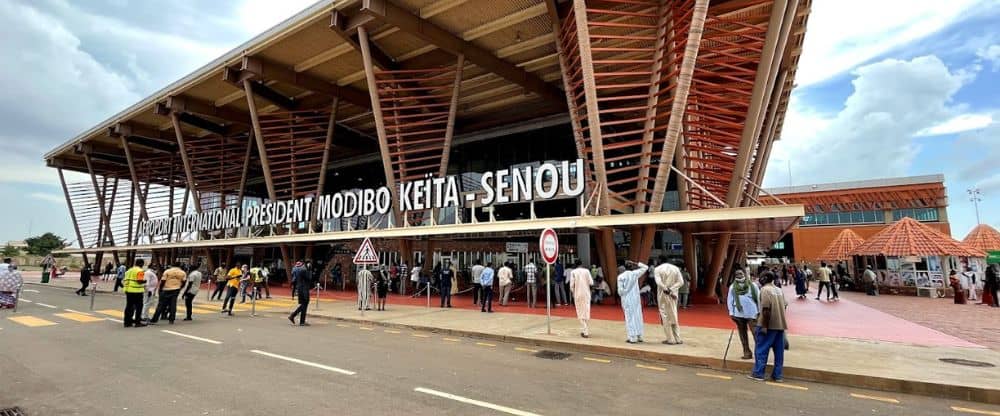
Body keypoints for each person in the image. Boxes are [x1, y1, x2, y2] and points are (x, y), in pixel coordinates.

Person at [749, 272, 788, 382]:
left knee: (761, 349)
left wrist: (764, 326)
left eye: (761, 277)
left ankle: (758, 373)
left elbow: (766, 309)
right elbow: (785, 306)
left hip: (768, 325)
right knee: (779, 352)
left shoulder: (765, 290)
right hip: (780, 326)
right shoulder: (779, 290)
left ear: (764, 278)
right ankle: (777, 375)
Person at [728, 269, 759, 359]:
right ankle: (747, 352)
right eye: (737, 274)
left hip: (752, 313)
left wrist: (759, 311)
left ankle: (759, 353)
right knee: (742, 334)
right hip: (738, 314)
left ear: (744, 274)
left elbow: (758, 298)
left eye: (741, 273)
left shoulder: (753, 285)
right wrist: (731, 312)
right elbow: (730, 300)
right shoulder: (732, 287)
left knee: (756, 334)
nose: (739, 275)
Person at [654, 259, 684, 345]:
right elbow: (681, 282)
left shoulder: (657, 269)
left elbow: (658, 282)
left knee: (665, 316)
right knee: (674, 314)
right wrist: (671, 289)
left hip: (662, 295)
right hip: (673, 295)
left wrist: (665, 288)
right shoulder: (675, 269)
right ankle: (678, 339)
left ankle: (670, 339)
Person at [617, 261, 648, 344]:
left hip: (627, 299)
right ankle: (640, 336)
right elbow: (645, 267)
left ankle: (632, 337)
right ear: (632, 267)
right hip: (636, 299)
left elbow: (620, 291)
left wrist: (625, 292)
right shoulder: (635, 274)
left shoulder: (621, 276)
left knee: (629, 318)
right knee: (638, 316)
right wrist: (636, 263)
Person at [569, 261, 594, 338]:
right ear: (581, 264)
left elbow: (571, 285)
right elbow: (591, 282)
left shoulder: (573, 272)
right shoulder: (587, 271)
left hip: (578, 294)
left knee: (580, 312)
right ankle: (584, 330)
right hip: (586, 294)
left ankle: (585, 330)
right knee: (586, 311)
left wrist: (573, 292)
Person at [121, 259, 148, 328]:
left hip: (128, 290)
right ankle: (137, 322)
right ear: (141, 264)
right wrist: (144, 281)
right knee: (139, 307)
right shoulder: (140, 271)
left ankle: (127, 322)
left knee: (129, 307)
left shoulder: (129, 270)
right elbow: (139, 281)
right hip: (137, 291)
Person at [288, 261, 311, 326]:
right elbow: (309, 278)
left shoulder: (299, 269)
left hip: (300, 289)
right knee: (305, 304)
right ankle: (294, 316)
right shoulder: (304, 270)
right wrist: (309, 270)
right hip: (304, 290)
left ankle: (301, 321)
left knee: (304, 305)